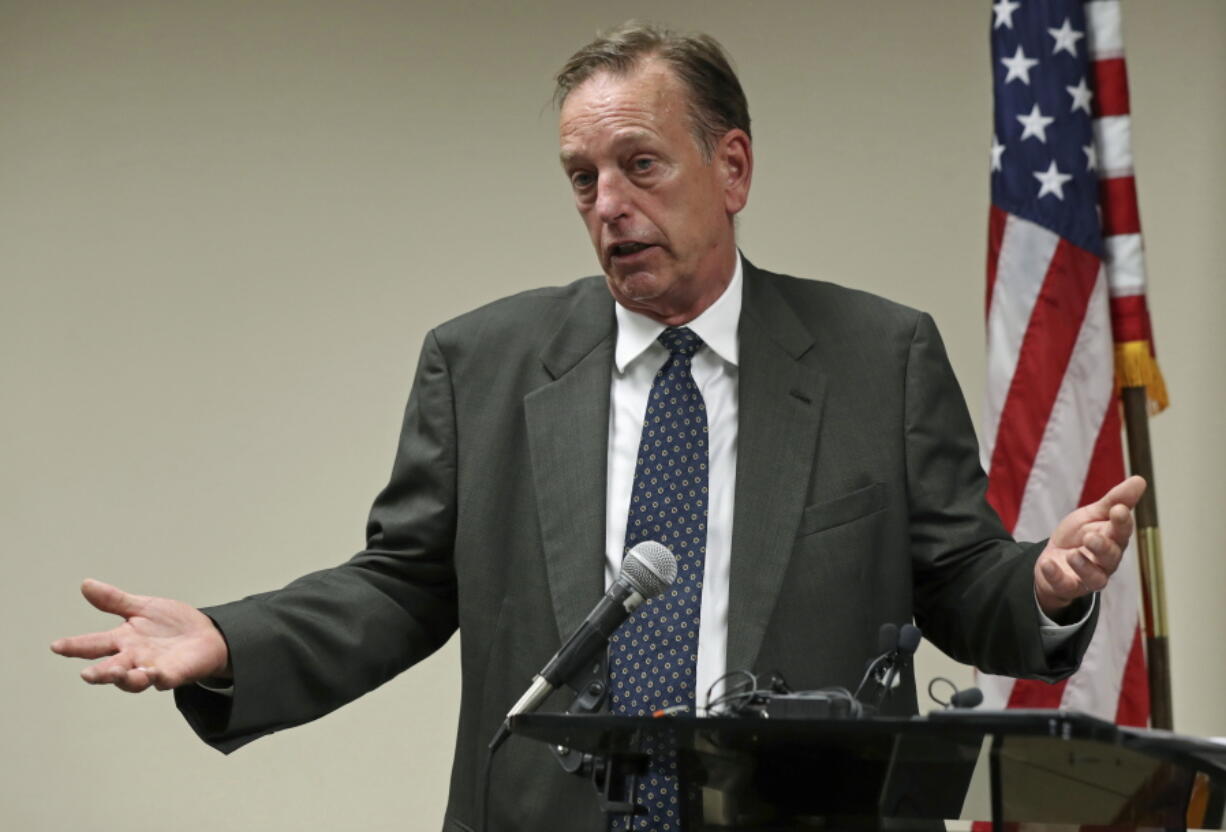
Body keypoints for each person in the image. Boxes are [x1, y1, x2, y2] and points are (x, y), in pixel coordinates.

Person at [51, 22, 1144, 831]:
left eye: (638, 165)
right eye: (582, 179)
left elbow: (956, 579)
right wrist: (230, 641)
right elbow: (398, 584)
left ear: (732, 168)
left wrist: (1045, 588)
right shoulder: (480, 364)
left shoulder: (876, 356)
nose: (608, 204)